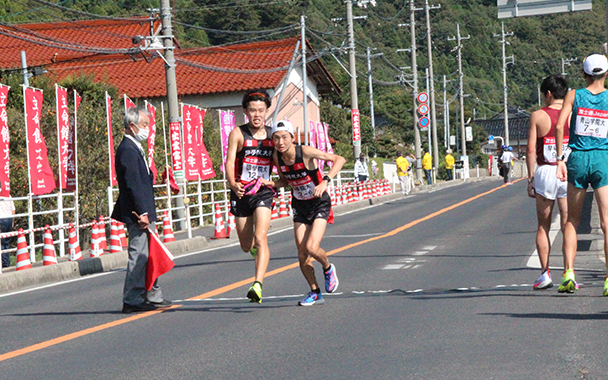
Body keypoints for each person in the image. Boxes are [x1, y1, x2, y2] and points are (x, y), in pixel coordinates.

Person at [264, 120, 345, 306]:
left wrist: (325, 181)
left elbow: (339, 159)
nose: (280, 142)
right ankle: (315, 292)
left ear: (292, 138)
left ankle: (327, 267)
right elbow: (285, 181)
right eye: (276, 138)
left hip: (319, 203)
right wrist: (272, 184)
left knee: (311, 247)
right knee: (301, 253)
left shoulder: (305, 152)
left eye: (284, 137)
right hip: (300, 205)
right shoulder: (277, 157)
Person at [556, 54, 608, 294]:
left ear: (584, 74)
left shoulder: (574, 95)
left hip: (577, 158)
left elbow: (559, 126)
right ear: (606, 74)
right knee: (607, 223)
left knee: (572, 220)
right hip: (602, 158)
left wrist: (560, 160)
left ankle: (568, 272)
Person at [112, 107, 172, 313]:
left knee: (150, 254)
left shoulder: (135, 147)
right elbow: (133, 183)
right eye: (144, 125)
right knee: (139, 254)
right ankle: (132, 298)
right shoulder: (127, 149)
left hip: (144, 210)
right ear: (132, 126)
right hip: (138, 213)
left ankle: (152, 295)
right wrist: (143, 212)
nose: (148, 129)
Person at [225, 90, 274, 303]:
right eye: (252, 110)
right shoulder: (238, 133)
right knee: (246, 245)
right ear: (245, 111)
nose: (257, 115)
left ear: (266, 112)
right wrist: (232, 184)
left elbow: (284, 160)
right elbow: (228, 161)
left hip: (262, 191)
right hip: (241, 192)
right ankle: (255, 252)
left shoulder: (273, 136)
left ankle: (258, 284)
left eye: (261, 111)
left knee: (260, 237)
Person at [526, 74, 570, 290]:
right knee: (568, 224)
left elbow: (532, 150)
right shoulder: (573, 114)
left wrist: (530, 178)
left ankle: (545, 274)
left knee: (543, 226)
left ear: (549, 94)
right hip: (569, 171)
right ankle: (568, 271)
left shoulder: (538, 116)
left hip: (545, 171)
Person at [0, 188, 15, 268]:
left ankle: (3, 264)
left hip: (1, 220)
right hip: (9, 219)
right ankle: (6, 263)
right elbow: (13, 210)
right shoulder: (8, 194)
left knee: (1, 243)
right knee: (6, 242)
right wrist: (12, 222)